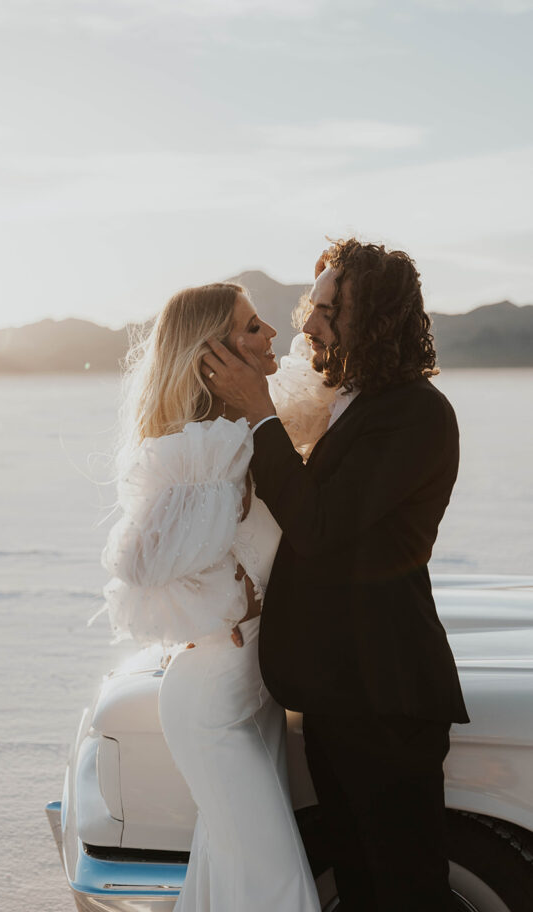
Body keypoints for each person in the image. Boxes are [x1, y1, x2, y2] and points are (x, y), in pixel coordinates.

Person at [202, 239, 469, 912]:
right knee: (356, 882)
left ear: (374, 318)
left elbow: (318, 527)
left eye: (328, 310)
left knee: (407, 891)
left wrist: (259, 411)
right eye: (310, 305)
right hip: (336, 690)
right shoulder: (344, 402)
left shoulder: (414, 414)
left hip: (385, 695)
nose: (307, 324)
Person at [101, 282, 326, 912]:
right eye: (253, 327)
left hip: (257, 683)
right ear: (214, 355)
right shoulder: (198, 452)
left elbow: (323, 397)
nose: (272, 334)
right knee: (272, 878)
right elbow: (139, 563)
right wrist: (220, 479)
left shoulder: (260, 423)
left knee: (229, 871)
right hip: (209, 698)